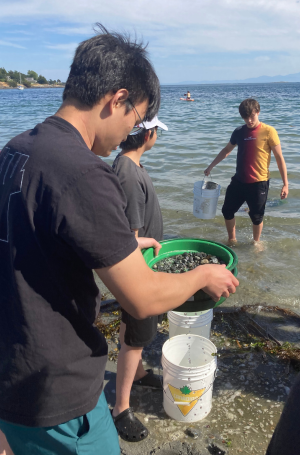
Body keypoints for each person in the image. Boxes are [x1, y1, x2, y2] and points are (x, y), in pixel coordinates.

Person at [0, 24, 238, 455]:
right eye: (136, 116)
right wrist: (203, 272)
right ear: (118, 99)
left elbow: (33, 244)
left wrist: (121, 251)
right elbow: (143, 300)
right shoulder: (83, 172)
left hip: (12, 372)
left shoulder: (18, 148)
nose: (132, 128)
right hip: (56, 390)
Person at [111, 116, 168, 442]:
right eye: (156, 130)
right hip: (138, 274)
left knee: (131, 330)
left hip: (143, 269)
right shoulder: (130, 175)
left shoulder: (127, 165)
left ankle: (139, 374)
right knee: (136, 336)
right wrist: (149, 242)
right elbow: (125, 240)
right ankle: (121, 407)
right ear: (148, 134)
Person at [204, 98, 288, 245]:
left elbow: (279, 158)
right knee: (227, 211)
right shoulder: (238, 132)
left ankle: (256, 243)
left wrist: (285, 184)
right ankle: (232, 239)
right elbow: (226, 150)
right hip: (239, 181)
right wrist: (211, 166)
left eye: (252, 116)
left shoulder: (269, 131)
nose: (249, 120)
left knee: (256, 217)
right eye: (245, 117)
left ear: (258, 112)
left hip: (259, 183)